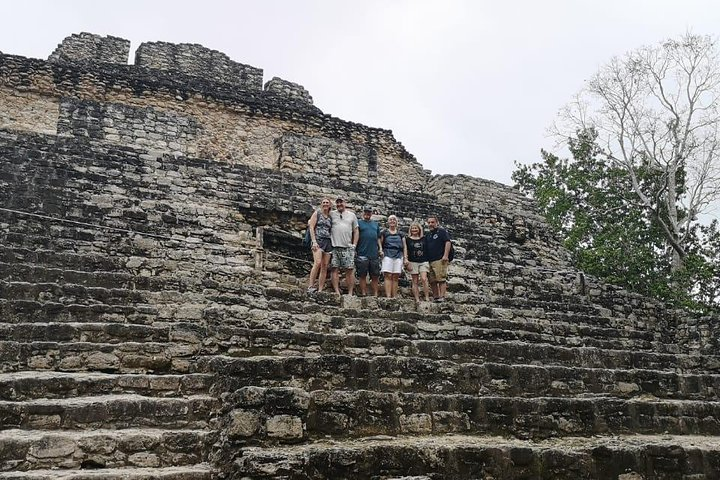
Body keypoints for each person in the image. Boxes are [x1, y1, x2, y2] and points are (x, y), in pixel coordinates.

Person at [330, 197, 359, 295]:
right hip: (334, 246)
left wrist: (354, 245)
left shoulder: (352, 215)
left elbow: (356, 230)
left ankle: (350, 292)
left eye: (340, 202)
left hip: (347, 246)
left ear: (345, 203)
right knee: (334, 269)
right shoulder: (332, 214)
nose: (339, 204)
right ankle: (337, 291)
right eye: (337, 203)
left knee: (349, 270)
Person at [306, 198, 333, 293]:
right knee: (317, 262)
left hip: (328, 242)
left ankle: (320, 289)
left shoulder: (330, 217)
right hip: (318, 240)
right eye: (324, 202)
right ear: (321, 204)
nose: (325, 204)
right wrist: (314, 241)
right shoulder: (317, 213)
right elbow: (311, 227)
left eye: (327, 202)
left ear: (330, 205)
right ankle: (310, 286)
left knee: (325, 266)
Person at [356, 205, 383, 296]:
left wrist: (380, 248)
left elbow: (378, 237)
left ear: (371, 213)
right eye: (366, 212)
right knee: (362, 275)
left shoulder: (375, 224)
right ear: (363, 213)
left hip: (374, 253)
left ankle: (375, 294)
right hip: (362, 252)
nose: (367, 213)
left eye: (369, 212)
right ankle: (364, 293)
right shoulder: (358, 223)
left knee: (375, 275)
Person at [380, 215, 407, 298]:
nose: (392, 221)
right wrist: (380, 250)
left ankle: (394, 296)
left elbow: (404, 246)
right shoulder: (384, 232)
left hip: (398, 255)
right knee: (388, 275)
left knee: (395, 276)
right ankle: (388, 296)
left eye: (394, 220)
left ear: (396, 222)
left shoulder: (400, 233)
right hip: (387, 254)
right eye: (390, 219)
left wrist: (405, 257)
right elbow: (380, 242)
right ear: (388, 222)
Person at [425, 215, 451, 302]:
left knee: (441, 279)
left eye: (432, 222)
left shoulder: (442, 232)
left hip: (440, 259)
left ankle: (442, 296)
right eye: (429, 222)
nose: (430, 224)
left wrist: (445, 255)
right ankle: (436, 296)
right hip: (430, 260)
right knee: (432, 280)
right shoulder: (428, 235)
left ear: (437, 223)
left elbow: (448, 242)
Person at [405, 222, 430, 302]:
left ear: (419, 229)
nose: (414, 230)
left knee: (424, 278)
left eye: (416, 228)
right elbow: (406, 250)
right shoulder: (407, 239)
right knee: (414, 281)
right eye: (413, 228)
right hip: (413, 261)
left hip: (423, 261)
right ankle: (417, 299)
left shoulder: (424, 238)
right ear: (410, 230)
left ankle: (427, 297)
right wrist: (406, 261)